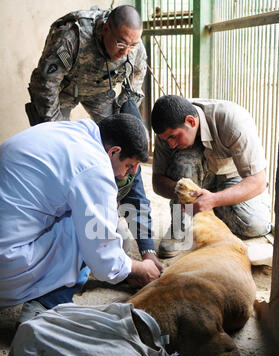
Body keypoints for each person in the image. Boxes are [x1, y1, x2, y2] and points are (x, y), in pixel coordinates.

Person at [25, 4, 160, 269]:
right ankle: (57, 234)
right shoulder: (72, 35)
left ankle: (144, 241)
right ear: (105, 28)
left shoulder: (135, 48)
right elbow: (45, 85)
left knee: (129, 150)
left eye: (131, 45)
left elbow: (131, 93)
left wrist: (129, 131)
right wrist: (56, 135)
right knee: (58, 158)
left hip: (101, 90)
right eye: (120, 43)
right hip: (61, 89)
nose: (125, 51)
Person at [0, 114, 161, 321]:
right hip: (7, 265)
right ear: (114, 151)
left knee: (103, 225)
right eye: (129, 166)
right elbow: (105, 260)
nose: (127, 174)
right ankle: (46, 305)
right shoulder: (94, 168)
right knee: (90, 230)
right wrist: (139, 268)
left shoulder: (70, 132)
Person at [151, 95, 271, 258]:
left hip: (231, 178)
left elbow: (258, 181)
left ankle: (210, 209)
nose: (170, 144)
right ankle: (181, 225)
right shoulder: (166, 134)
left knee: (254, 225)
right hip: (193, 183)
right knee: (183, 161)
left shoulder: (233, 121)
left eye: (173, 136)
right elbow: (157, 182)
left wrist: (213, 200)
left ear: (191, 122)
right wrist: (183, 191)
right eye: (166, 139)